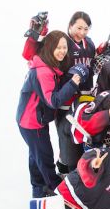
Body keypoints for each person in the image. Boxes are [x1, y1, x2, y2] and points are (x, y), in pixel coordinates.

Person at [22, 11, 96, 174]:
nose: (82, 32)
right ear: (70, 25)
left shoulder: (89, 44)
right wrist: (37, 36)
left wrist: (100, 60)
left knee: (81, 138)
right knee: (66, 140)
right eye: (78, 27)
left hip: (83, 99)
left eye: (86, 28)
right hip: (62, 101)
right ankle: (65, 172)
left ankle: (78, 172)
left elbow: (90, 69)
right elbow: (31, 55)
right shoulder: (61, 42)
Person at [17, 30, 87, 198]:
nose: (62, 51)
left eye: (64, 47)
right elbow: (53, 101)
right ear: (49, 48)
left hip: (34, 120)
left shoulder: (47, 64)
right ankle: (57, 191)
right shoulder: (43, 71)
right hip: (32, 122)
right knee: (45, 157)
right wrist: (74, 82)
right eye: (58, 47)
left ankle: (37, 188)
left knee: (36, 155)